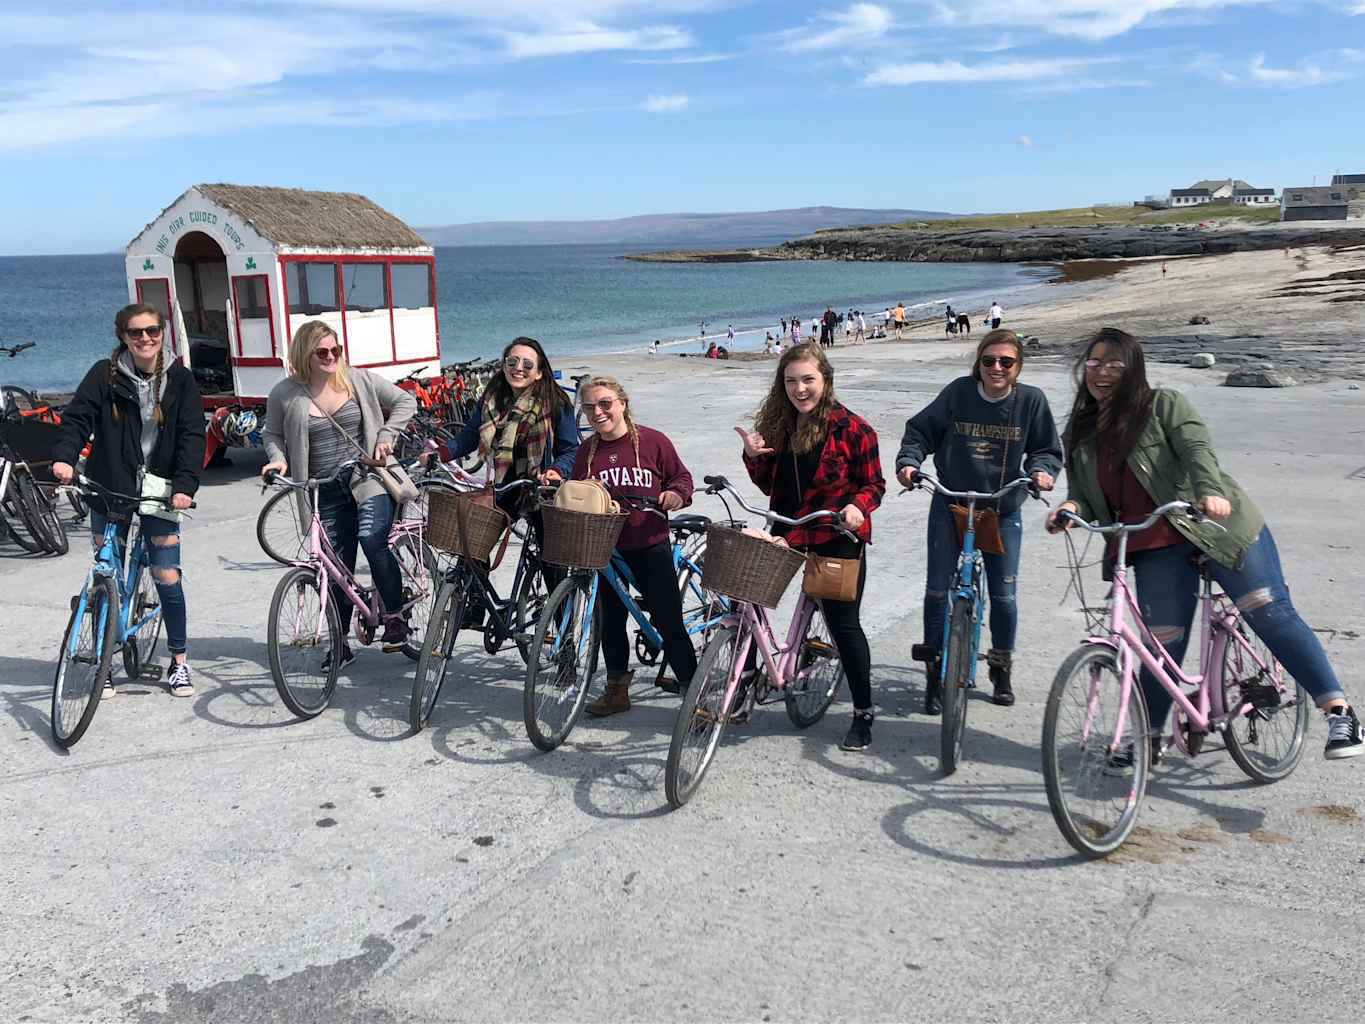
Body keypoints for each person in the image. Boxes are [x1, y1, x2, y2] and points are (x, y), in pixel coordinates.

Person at [1048, 328, 1362, 760]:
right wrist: (1069, 506)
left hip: (1213, 525)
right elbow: (1085, 492)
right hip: (1151, 541)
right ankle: (1148, 738)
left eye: (1114, 364)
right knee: (1161, 645)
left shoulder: (1163, 404)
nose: (1102, 372)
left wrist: (1209, 490)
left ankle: (1339, 711)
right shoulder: (1080, 430)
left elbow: (1198, 451)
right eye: (1095, 363)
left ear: (1133, 369)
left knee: (1267, 610)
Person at [896, 330, 1062, 712]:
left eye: (1006, 361)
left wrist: (1040, 472)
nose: (997, 368)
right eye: (989, 361)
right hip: (952, 503)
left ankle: (1001, 666)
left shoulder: (1031, 401)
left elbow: (1046, 450)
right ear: (979, 364)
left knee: (1004, 596)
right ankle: (934, 670)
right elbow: (920, 431)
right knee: (938, 590)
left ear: (1018, 366)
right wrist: (909, 462)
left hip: (1000, 508)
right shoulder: (958, 393)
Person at [734, 342, 886, 751]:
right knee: (744, 595)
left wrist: (857, 506)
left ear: (825, 380)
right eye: (791, 381)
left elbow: (875, 485)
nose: (800, 389)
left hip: (835, 535)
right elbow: (769, 485)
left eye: (808, 380)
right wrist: (753, 457)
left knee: (843, 624)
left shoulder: (854, 430)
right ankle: (744, 682)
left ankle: (863, 713)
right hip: (786, 529)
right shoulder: (782, 426)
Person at [52, 302, 205, 699]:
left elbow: (192, 435)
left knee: (166, 575)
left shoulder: (180, 380)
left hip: (161, 489)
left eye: (152, 330)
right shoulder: (103, 376)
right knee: (106, 572)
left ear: (162, 332)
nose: (145, 339)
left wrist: (185, 485)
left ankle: (179, 661)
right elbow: (77, 418)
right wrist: (65, 459)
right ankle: (104, 662)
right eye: (136, 332)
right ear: (123, 336)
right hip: (112, 486)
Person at [262, 321, 417, 667]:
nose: (332, 357)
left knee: (372, 539)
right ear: (305, 354)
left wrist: (386, 435)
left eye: (336, 350)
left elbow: (406, 401)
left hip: (367, 478)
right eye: (322, 352)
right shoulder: (286, 393)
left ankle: (394, 617)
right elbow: (271, 434)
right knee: (336, 569)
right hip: (322, 488)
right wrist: (278, 460)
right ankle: (341, 644)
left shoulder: (358, 380)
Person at [573, 376, 697, 716]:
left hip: (648, 541)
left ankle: (691, 687)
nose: (597, 413)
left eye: (605, 404)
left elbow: (682, 478)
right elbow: (577, 492)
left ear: (622, 403)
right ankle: (616, 690)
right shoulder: (587, 451)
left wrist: (675, 495)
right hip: (606, 546)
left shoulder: (654, 441)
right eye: (589, 407)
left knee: (668, 618)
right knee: (609, 620)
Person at [444, 336, 580, 583]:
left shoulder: (556, 403)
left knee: (552, 565)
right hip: (506, 486)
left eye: (528, 365)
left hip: (542, 490)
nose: (519, 368)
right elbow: (470, 435)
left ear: (539, 373)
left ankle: (559, 617)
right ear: (504, 365)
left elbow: (571, 450)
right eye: (512, 362)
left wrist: (556, 471)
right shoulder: (492, 399)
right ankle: (474, 606)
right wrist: (442, 452)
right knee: (473, 542)